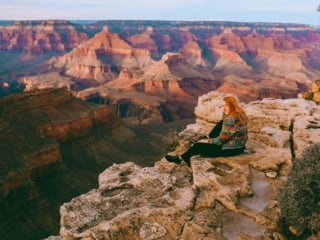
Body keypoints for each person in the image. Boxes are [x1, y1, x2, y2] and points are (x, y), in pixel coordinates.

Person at [165, 96, 248, 166]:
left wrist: (208, 141)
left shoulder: (229, 120)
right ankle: (209, 136)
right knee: (221, 123)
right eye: (223, 106)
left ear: (232, 106)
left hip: (230, 149)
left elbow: (221, 141)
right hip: (241, 147)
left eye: (226, 105)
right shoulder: (241, 115)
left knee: (198, 146)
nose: (224, 108)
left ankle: (181, 158)